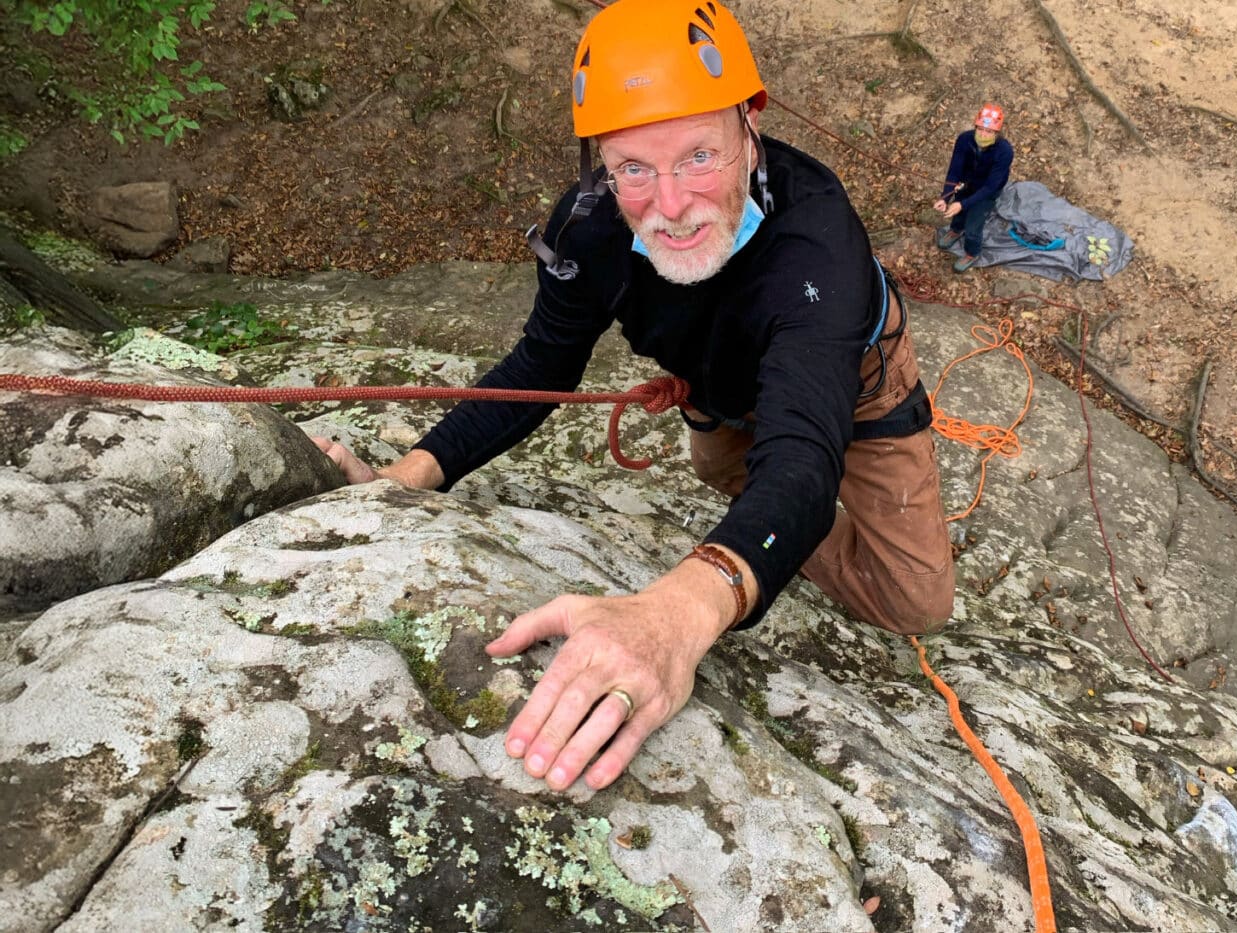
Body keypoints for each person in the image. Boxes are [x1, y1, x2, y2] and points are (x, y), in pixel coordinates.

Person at [312, 0, 954, 794]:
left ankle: (767, 510)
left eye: (698, 156)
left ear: (749, 127)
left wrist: (672, 617)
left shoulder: (816, 247)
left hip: (845, 394)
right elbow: (539, 367)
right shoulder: (590, 230)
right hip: (718, 390)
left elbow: (806, 460)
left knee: (913, 601)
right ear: (600, 165)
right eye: (634, 170)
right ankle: (751, 493)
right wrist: (404, 481)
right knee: (728, 471)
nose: (672, 204)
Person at [933, 103, 1015, 273]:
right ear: (975, 126)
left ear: (997, 132)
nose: (984, 134)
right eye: (980, 129)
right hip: (967, 183)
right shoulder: (965, 140)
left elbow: (991, 186)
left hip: (987, 191)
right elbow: (954, 170)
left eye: (989, 131)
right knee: (957, 212)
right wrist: (945, 197)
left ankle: (972, 252)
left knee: (974, 225)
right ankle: (956, 230)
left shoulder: (1004, 151)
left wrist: (963, 204)